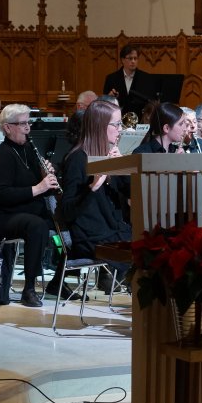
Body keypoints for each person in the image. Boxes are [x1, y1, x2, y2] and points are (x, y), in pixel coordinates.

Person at [0, 104, 60, 307]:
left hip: (26, 212)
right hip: (2, 217)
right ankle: (29, 288)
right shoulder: (3, 155)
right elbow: (1, 195)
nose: (28, 127)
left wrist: (47, 176)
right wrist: (38, 188)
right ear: (8, 127)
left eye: (29, 122)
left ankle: (59, 279)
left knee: (64, 219)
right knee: (36, 226)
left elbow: (43, 186)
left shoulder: (29, 149)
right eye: (23, 123)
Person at [59, 100, 132, 290]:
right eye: (116, 124)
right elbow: (66, 211)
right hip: (89, 237)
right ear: (100, 127)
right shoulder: (77, 158)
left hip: (112, 230)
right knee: (143, 252)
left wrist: (123, 167)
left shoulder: (109, 154)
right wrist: (92, 187)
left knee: (154, 244)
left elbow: (131, 193)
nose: (120, 129)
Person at [103, 44, 155, 118]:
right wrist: (110, 97)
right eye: (130, 58)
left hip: (140, 120)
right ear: (123, 60)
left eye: (135, 58)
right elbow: (104, 101)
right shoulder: (111, 78)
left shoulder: (146, 78)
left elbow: (151, 101)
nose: (133, 61)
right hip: (118, 119)